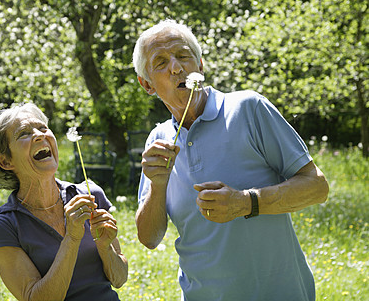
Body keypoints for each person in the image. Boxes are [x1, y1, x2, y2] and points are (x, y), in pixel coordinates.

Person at [133, 19, 329, 301]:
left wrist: (246, 203)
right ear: (147, 84)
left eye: (183, 55)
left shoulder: (249, 109)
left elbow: (317, 187)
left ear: (200, 65)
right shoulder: (157, 141)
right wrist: (157, 185)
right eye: (161, 62)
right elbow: (149, 238)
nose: (176, 67)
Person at [0, 103, 128, 301]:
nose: (40, 135)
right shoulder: (3, 225)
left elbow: (119, 279)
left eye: (43, 128)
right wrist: (72, 239)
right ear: (6, 162)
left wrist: (105, 247)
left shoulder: (90, 194)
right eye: (24, 133)